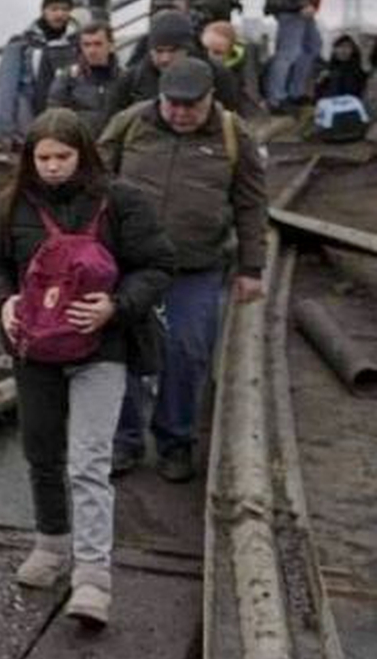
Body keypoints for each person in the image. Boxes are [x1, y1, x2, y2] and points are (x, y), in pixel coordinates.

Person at [0, 108, 174, 626]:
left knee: (88, 461)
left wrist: (116, 306)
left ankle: (92, 576)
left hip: (100, 348)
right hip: (34, 347)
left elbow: (157, 265)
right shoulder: (12, 205)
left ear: (83, 154)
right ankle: (50, 543)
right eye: (43, 158)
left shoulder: (120, 202)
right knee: (41, 452)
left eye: (63, 157)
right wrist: (2, 301)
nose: (53, 167)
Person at [98, 58, 268, 482]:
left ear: (210, 98)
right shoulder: (130, 124)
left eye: (190, 106)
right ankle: (124, 439)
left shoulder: (232, 135)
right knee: (121, 353)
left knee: (187, 353)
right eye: (172, 104)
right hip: (130, 265)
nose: (179, 113)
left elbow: (251, 203)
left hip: (196, 267)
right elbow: (95, 183)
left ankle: (175, 441)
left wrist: (252, 266)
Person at [108, 9, 240, 120]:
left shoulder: (217, 76)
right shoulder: (131, 81)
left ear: (187, 49)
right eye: (159, 51)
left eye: (173, 51)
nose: (165, 58)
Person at [0, 0, 79, 150]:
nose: (59, 14)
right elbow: (5, 89)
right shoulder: (22, 43)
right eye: (54, 9)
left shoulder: (79, 42)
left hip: (68, 122)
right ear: (44, 11)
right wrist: (6, 131)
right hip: (29, 122)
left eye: (64, 9)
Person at [48, 21, 123, 138]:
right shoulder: (68, 78)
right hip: (80, 145)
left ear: (111, 46)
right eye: (87, 45)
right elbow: (54, 118)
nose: (92, 51)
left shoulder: (125, 79)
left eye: (98, 44)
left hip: (114, 146)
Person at [264, 0, 322, 114]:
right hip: (292, 7)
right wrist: (303, 4)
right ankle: (276, 99)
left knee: (311, 48)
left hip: (300, 7)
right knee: (287, 53)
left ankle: (295, 93)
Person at [201, 20, 265, 118]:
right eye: (205, 49)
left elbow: (250, 89)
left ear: (230, 51)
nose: (210, 56)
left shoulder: (242, 65)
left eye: (217, 52)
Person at [316, 35, 369, 100]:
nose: (343, 50)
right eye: (340, 46)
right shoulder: (326, 70)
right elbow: (318, 92)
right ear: (335, 49)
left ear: (353, 50)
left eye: (348, 47)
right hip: (330, 106)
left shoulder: (358, 72)